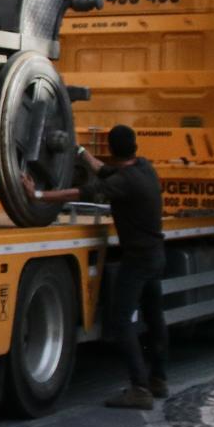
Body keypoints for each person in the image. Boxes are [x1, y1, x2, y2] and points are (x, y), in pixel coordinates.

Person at [25, 124, 167, 408]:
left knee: (121, 322)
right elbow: (103, 171)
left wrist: (37, 195)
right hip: (155, 255)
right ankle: (158, 379)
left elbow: (81, 192)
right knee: (155, 317)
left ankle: (139, 389)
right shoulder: (144, 169)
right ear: (134, 146)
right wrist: (80, 152)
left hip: (137, 259)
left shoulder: (123, 182)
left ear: (112, 150)